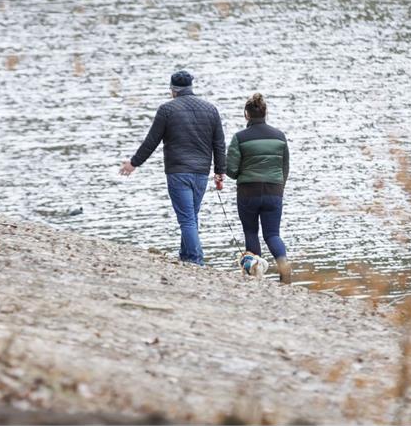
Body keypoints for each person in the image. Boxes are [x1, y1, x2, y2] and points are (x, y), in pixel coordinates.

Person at [120, 70, 226, 265]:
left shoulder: (167, 110)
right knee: (191, 217)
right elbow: (219, 143)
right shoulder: (211, 109)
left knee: (187, 219)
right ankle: (186, 256)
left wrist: (134, 163)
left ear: (173, 90)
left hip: (178, 173)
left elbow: (151, 141)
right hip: (201, 173)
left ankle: (195, 260)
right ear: (191, 87)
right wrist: (220, 171)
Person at [225, 93, 292, 283]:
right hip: (274, 191)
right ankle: (284, 269)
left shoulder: (240, 137)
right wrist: (279, 186)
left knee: (251, 232)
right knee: (272, 234)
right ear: (265, 113)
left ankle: (256, 275)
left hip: (248, 192)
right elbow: (284, 167)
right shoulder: (280, 137)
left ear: (247, 115)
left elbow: (231, 170)